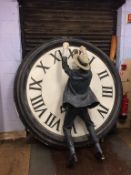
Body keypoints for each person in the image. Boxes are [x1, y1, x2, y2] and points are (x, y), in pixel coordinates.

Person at [61, 42, 105, 168]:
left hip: (73, 106)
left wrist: (65, 50)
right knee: (90, 125)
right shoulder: (89, 74)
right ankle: (99, 151)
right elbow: (86, 64)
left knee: (67, 127)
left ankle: (73, 154)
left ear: (78, 65)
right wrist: (83, 51)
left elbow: (65, 66)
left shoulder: (73, 74)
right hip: (84, 104)